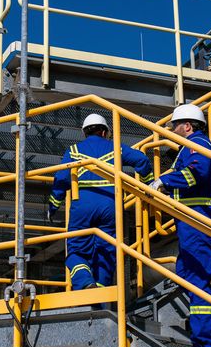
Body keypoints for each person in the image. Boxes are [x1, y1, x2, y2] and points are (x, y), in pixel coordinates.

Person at [149, 103, 211, 347]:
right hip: (198, 220)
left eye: (175, 126)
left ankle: (205, 346)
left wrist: (165, 180)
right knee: (186, 274)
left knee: (195, 280)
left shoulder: (196, 145)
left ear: (187, 126)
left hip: (199, 222)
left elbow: (195, 173)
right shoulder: (206, 149)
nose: (172, 130)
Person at [48, 113, 154, 290]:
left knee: (76, 250)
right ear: (105, 132)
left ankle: (85, 282)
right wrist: (147, 185)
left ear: (85, 133)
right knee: (107, 250)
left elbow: (61, 179)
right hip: (111, 206)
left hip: (83, 205)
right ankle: (101, 291)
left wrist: (53, 206)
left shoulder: (74, 151)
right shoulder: (116, 148)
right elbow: (141, 160)